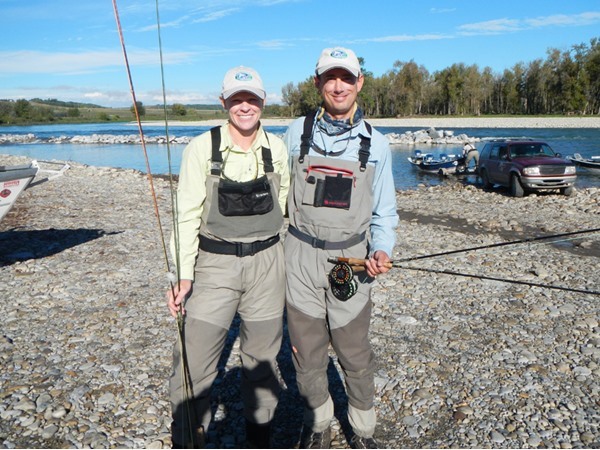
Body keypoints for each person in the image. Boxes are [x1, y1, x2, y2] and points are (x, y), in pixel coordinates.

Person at [167, 66, 290, 449]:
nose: (245, 106)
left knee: (262, 362)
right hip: (214, 266)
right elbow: (185, 215)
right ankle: (187, 437)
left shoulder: (278, 148)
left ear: (263, 102)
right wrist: (183, 275)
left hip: (269, 264)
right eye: (237, 99)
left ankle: (259, 438)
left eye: (252, 98)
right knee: (195, 363)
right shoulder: (201, 148)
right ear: (224, 102)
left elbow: (285, 208)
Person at [283, 47, 398, 449]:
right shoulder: (295, 133)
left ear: (359, 83)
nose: (338, 86)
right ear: (317, 83)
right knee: (306, 353)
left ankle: (363, 430)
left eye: (346, 78)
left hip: (351, 261)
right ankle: (318, 423)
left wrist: (381, 249)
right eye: (330, 77)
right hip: (298, 258)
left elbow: (385, 213)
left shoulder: (378, 145)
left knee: (354, 354)